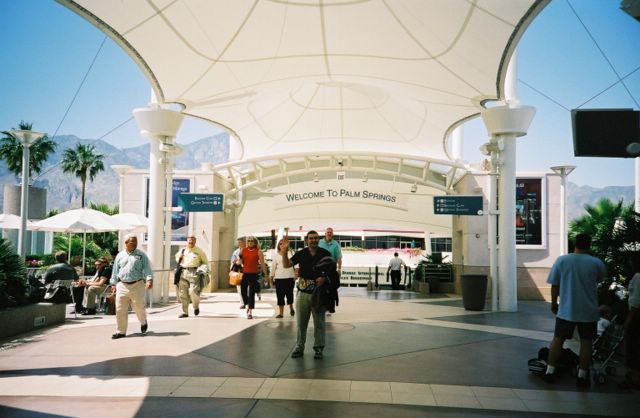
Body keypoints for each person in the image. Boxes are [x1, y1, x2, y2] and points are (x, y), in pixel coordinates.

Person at [541, 233, 606, 388]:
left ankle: (550, 372)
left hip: (566, 310)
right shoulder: (596, 263)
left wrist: (554, 303)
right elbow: (600, 279)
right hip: (588, 311)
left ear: (574, 244)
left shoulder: (562, 260)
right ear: (589, 245)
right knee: (586, 342)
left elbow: (555, 284)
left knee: (558, 339)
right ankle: (582, 376)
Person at [282, 230, 333, 359]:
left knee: (319, 323)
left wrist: (324, 279)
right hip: (302, 293)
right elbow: (286, 264)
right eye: (311, 238)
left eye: (316, 238)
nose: (313, 240)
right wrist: (284, 251)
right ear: (306, 240)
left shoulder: (325, 254)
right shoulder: (301, 253)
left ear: (319, 239)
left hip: (319, 294)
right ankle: (299, 347)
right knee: (301, 323)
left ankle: (319, 348)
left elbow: (332, 272)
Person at [110, 234, 153, 339]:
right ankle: (121, 331)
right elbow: (115, 270)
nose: (135, 243)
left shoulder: (141, 255)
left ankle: (143, 321)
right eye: (132, 241)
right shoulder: (120, 255)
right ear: (126, 243)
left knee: (139, 307)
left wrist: (149, 279)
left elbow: (147, 268)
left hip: (137, 284)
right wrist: (113, 283)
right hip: (122, 285)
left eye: (136, 241)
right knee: (120, 309)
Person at [175, 234, 209, 318]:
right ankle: (185, 312)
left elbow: (205, 262)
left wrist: (202, 270)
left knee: (193, 292)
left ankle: (196, 306)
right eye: (189, 240)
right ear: (187, 241)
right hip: (183, 272)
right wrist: (179, 258)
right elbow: (177, 259)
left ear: (195, 241)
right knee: (183, 294)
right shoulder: (183, 250)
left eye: (192, 240)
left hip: (194, 273)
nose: (191, 242)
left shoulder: (199, 251)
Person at [620, 254, 640, 390]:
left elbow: (636, 301)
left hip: (637, 315)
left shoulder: (638, 276)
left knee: (634, 345)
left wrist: (629, 319)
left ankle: (635, 377)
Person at [241, 236, 268, 319]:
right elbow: (242, 262)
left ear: (255, 242)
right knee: (243, 291)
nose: (250, 242)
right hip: (245, 274)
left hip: (253, 274)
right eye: (248, 241)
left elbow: (263, 264)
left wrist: (266, 275)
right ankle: (247, 304)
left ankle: (250, 311)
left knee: (251, 293)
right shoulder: (244, 250)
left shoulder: (258, 251)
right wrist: (239, 262)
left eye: (252, 241)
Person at [270, 238, 297, 318]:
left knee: (289, 294)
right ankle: (281, 313)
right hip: (279, 278)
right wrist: (271, 278)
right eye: (280, 243)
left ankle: (291, 308)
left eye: (283, 243)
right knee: (280, 295)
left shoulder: (291, 253)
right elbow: (273, 267)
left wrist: (296, 274)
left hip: (289, 277)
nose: (282, 245)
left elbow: (296, 264)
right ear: (278, 245)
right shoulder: (276, 255)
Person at [230, 237, 246, 309]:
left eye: (241, 242)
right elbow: (232, 261)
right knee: (239, 288)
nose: (240, 244)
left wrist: (243, 262)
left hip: (247, 271)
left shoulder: (247, 250)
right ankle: (242, 303)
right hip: (238, 272)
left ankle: (247, 301)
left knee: (247, 288)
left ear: (244, 242)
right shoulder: (236, 252)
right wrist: (236, 261)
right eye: (239, 242)